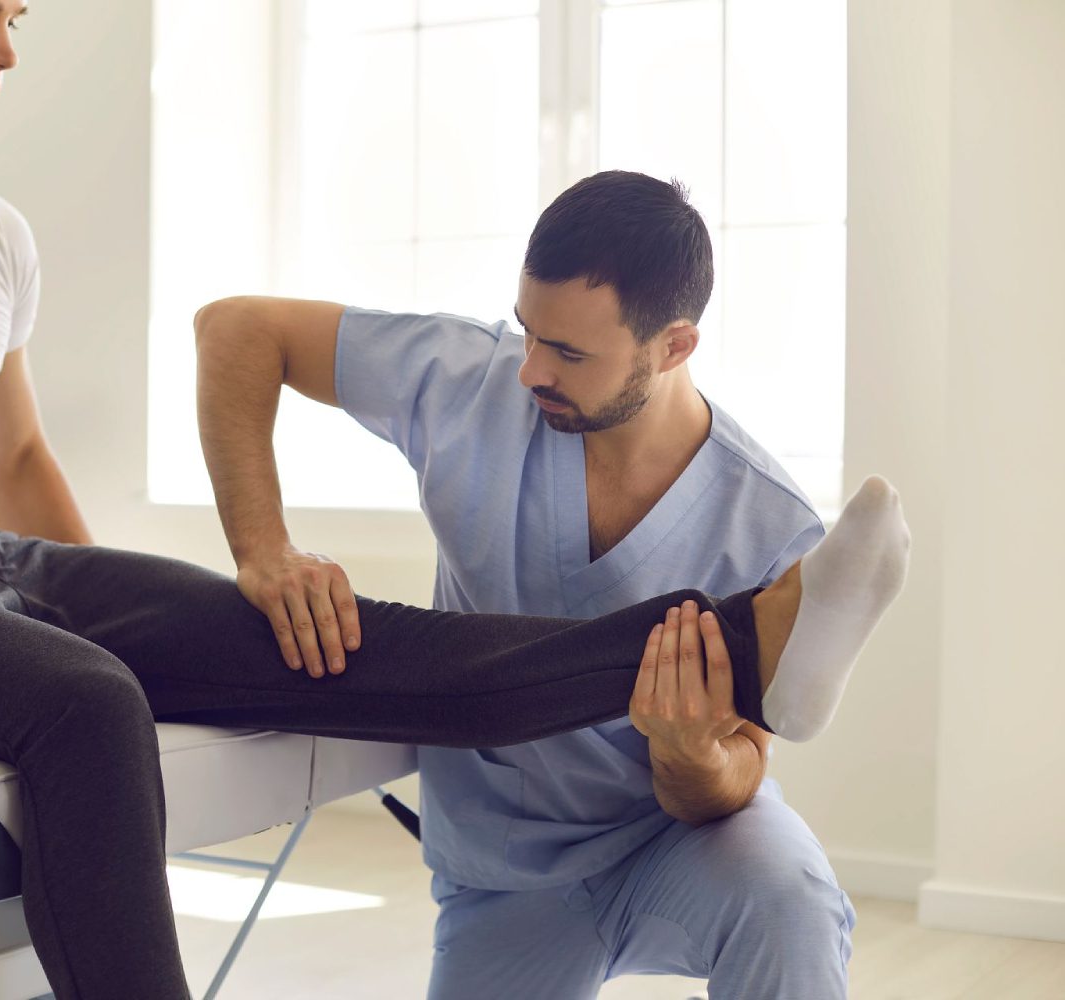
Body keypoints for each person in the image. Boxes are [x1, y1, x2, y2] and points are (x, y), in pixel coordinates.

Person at [0, 3, 907, 998]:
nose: (9, 48)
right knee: (85, 704)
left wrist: (96, 617)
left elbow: (19, 459)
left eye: (15, 18)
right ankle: (744, 637)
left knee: (319, 638)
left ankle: (747, 645)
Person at [194, 171, 910, 997]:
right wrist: (264, 548)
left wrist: (690, 754)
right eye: (530, 331)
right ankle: (758, 632)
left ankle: (773, 633)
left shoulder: (765, 523)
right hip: (503, 874)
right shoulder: (471, 381)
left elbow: (741, 771)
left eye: (569, 352)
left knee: (793, 902)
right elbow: (235, 328)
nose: (532, 369)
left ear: (674, 347)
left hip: (674, 844)